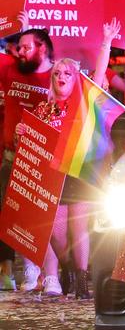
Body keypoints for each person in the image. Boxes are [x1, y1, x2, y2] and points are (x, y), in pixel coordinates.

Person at [15, 59, 94, 298]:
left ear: (75, 78)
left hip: (79, 173)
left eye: (67, 73)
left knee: (79, 230)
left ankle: (81, 282)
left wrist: (107, 43)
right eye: (57, 73)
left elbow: (98, 77)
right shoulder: (43, 109)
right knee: (57, 235)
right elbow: (32, 145)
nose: (61, 76)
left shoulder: (83, 104)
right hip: (53, 178)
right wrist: (22, 133)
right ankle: (68, 271)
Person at [0, 27, 54, 291]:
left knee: (40, 218)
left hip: (41, 159)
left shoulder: (57, 76)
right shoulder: (11, 68)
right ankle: (8, 272)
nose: (20, 52)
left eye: (26, 47)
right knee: (7, 214)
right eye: (19, 47)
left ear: (42, 48)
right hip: (11, 156)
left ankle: (46, 273)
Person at [92, 17, 125, 92]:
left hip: (104, 104)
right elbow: (99, 73)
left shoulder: (106, 72)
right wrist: (107, 40)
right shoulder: (83, 76)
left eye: (105, 87)